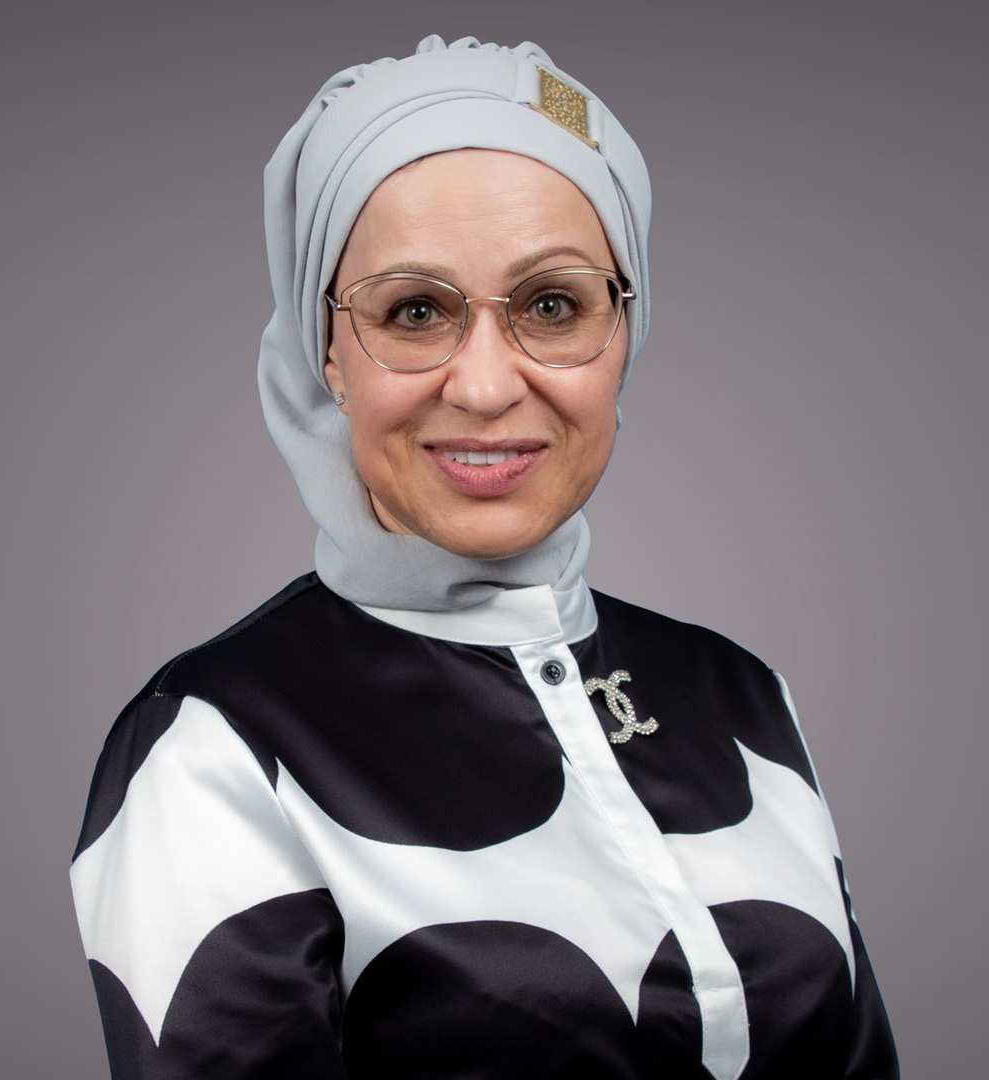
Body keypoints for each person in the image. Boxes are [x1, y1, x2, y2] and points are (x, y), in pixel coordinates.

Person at [70, 36, 899, 1080]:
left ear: (626, 330)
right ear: (326, 350)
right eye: (415, 312)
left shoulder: (742, 695)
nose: (485, 386)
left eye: (553, 306)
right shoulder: (214, 748)